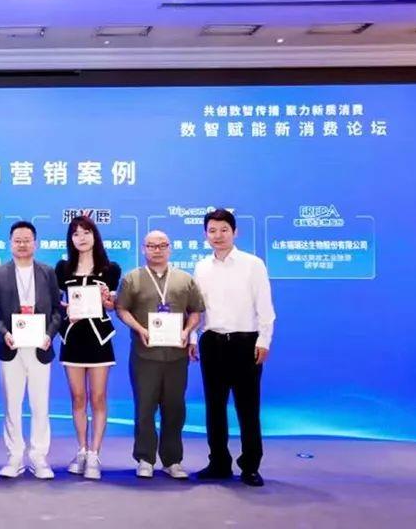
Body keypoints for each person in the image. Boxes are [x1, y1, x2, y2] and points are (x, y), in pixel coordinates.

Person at [192, 208, 276, 487]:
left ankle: (250, 465)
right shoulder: (201, 267)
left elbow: (265, 306)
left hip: (245, 343)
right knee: (214, 407)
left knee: (247, 408)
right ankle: (218, 462)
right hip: (212, 342)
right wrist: (191, 339)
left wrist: (264, 340)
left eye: (224, 230)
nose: (218, 235)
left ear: (235, 232)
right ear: (206, 234)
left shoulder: (253, 264)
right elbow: (197, 309)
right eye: (212, 231)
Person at [116, 230, 204, 480]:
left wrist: (187, 331)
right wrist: (140, 329)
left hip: (176, 356)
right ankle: (145, 458)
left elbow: (196, 311)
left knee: (175, 408)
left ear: (170, 248)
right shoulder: (132, 279)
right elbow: (122, 309)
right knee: (144, 408)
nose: (157, 250)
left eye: (162, 245)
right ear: (143, 249)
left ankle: (172, 460)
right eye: (152, 246)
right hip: (145, 355)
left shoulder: (185, 279)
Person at [0, 220, 63, 480]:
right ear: (10, 243)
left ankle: (39, 457)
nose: (22, 244)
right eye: (17, 240)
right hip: (12, 347)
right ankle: (15, 456)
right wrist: (4, 334)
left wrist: (49, 335)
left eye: (26, 240)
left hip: (40, 347)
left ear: (35, 243)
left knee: (40, 405)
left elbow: (57, 311)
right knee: (12, 405)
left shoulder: (47, 272)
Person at [54, 215, 121, 480]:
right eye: (75, 233)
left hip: (99, 339)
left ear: (95, 236)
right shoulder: (63, 268)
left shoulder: (111, 269)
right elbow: (57, 303)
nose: (81, 238)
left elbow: (112, 305)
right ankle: (81, 450)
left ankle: (95, 453)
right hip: (72, 338)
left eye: (86, 232)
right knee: (78, 398)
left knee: (98, 398)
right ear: (70, 239)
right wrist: (66, 309)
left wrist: (108, 302)